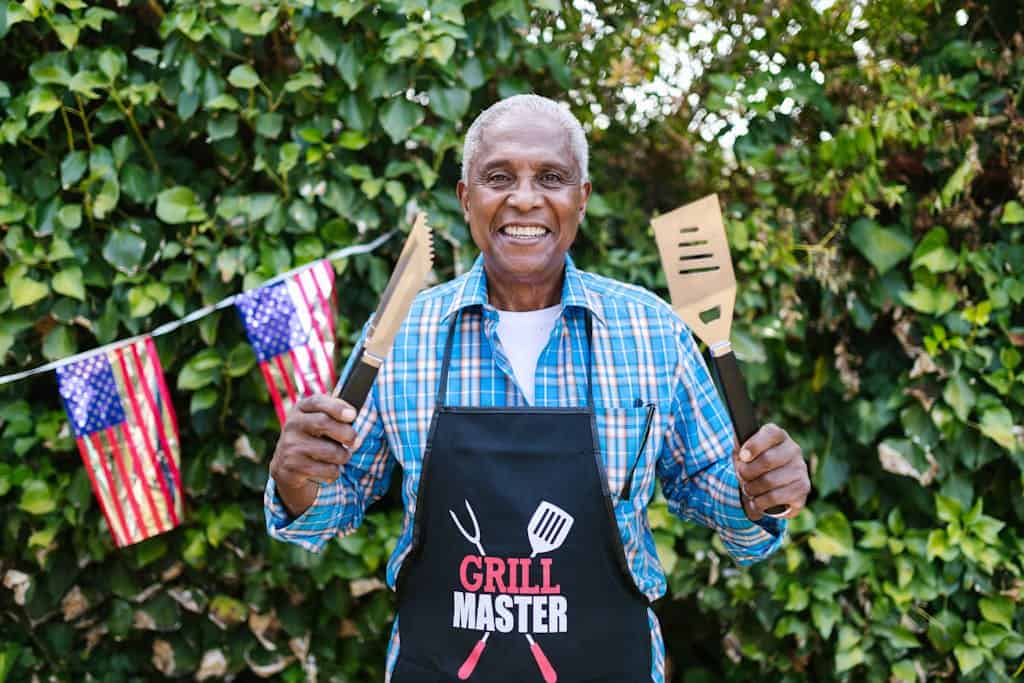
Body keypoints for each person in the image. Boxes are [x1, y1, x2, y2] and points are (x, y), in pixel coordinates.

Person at [265, 94, 811, 682]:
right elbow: (336, 501)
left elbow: (709, 485)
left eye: (551, 177)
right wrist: (295, 480)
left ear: (582, 197)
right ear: (465, 197)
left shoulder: (652, 330)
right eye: (499, 177)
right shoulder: (403, 333)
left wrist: (758, 493)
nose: (525, 198)